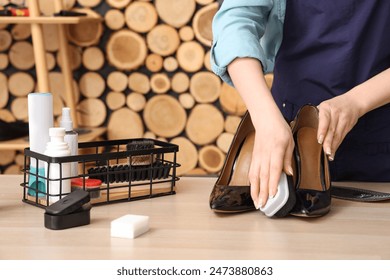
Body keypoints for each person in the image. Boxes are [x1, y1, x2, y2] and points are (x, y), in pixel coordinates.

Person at [211, 0, 390, 210]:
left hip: (380, 143)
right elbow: (235, 20)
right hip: (291, 136)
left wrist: (357, 101)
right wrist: (265, 118)